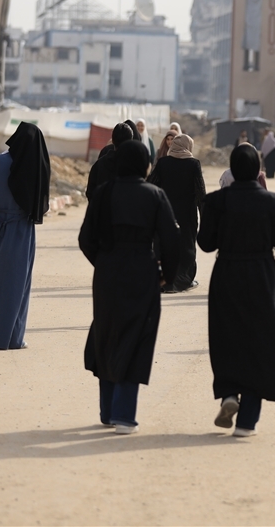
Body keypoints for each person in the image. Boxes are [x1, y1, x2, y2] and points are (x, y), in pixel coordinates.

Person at [79, 141, 181, 434]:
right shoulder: (155, 195)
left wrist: (104, 263)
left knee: (107, 333)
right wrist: (166, 274)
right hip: (142, 271)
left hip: (108, 272)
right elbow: (170, 240)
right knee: (137, 336)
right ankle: (124, 415)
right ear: (146, 165)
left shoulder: (103, 193)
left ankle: (108, 410)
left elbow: (86, 239)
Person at [198, 144, 275, 437]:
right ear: (258, 170)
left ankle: (230, 393)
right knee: (260, 343)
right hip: (263, 276)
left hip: (227, 273)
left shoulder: (217, 201)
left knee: (227, 336)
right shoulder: (273, 203)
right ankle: (247, 422)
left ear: (231, 167)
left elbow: (205, 243)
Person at [0, 121, 50, 350]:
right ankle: (12, 337)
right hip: (20, 228)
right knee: (17, 283)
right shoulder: (36, 167)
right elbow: (42, 205)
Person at [148, 134, 206, 292]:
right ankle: (183, 280)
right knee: (186, 245)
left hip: (164, 212)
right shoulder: (193, 164)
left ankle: (162, 281)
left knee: (163, 244)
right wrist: (204, 215)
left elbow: (151, 184)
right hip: (186, 213)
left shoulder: (163, 163)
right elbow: (200, 191)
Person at [87, 123, 134, 202]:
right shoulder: (134, 165)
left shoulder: (99, 164)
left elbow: (90, 192)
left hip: (103, 211)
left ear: (112, 140)